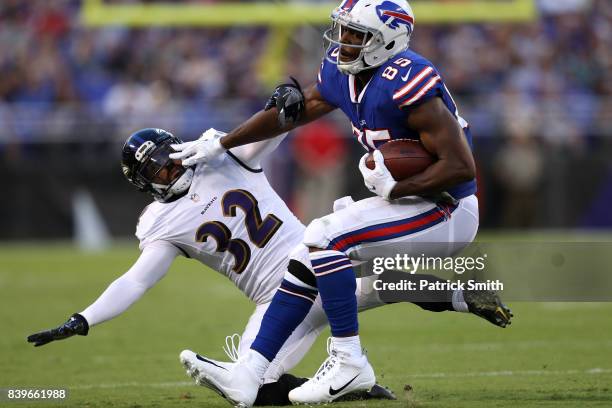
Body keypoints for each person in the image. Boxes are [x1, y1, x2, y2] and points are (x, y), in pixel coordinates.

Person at [169, 0, 511, 405]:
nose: (344, 41)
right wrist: (223, 142)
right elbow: (298, 110)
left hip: (446, 209)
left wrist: (395, 190)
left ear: (388, 40)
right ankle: (250, 372)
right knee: (309, 253)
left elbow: (461, 167)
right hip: (411, 203)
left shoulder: (407, 79)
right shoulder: (341, 68)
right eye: (344, 31)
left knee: (325, 237)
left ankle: (349, 360)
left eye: (356, 34)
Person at [26, 128, 500, 405]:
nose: (171, 171)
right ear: (144, 183)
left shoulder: (219, 156)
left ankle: (443, 305)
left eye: (170, 161)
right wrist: (83, 319)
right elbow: (136, 280)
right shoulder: (160, 222)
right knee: (255, 391)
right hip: (291, 290)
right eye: (159, 171)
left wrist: (282, 104)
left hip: (305, 268)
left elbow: (275, 126)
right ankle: (369, 380)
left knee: (252, 379)